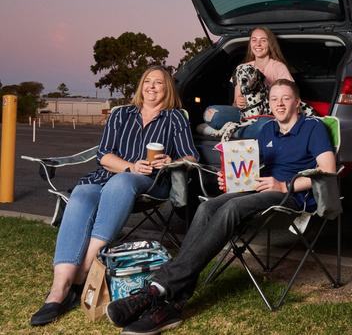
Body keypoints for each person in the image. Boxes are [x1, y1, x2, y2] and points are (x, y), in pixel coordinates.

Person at [106, 79, 335, 334]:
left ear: (297, 102)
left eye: (286, 98)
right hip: (260, 187)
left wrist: (284, 185)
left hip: (291, 195)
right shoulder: (268, 129)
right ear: (268, 103)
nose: (279, 104)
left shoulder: (313, 128)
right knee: (207, 207)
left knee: (231, 209)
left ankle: (155, 290)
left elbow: (328, 170)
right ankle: (170, 304)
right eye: (274, 99)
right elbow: (249, 166)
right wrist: (233, 177)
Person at [30, 66, 199, 326]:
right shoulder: (122, 114)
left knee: (121, 183)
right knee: (82, 194)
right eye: (147, 82)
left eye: (159, 83)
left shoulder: (174, 118)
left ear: (168, 90)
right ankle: (59, 289)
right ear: (141, 87)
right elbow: (104, 155)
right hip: (112, 174)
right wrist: (130, 165)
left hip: (151, 182)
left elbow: (191, 156)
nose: (152, 87)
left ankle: (84, 271)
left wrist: (170, 160)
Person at [198, 26, 293, 139]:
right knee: (211, 113)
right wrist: (237, 102)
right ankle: (234, 129)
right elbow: (235, 104)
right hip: (243, 115)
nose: (258, 44)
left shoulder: (278, 67)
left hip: (267, 116)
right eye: (254, 40)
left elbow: (291, 97)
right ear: (250, 44)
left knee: (265, 125)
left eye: (263, 40)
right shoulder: (242, 68)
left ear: (270, 44)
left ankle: (234, 132)